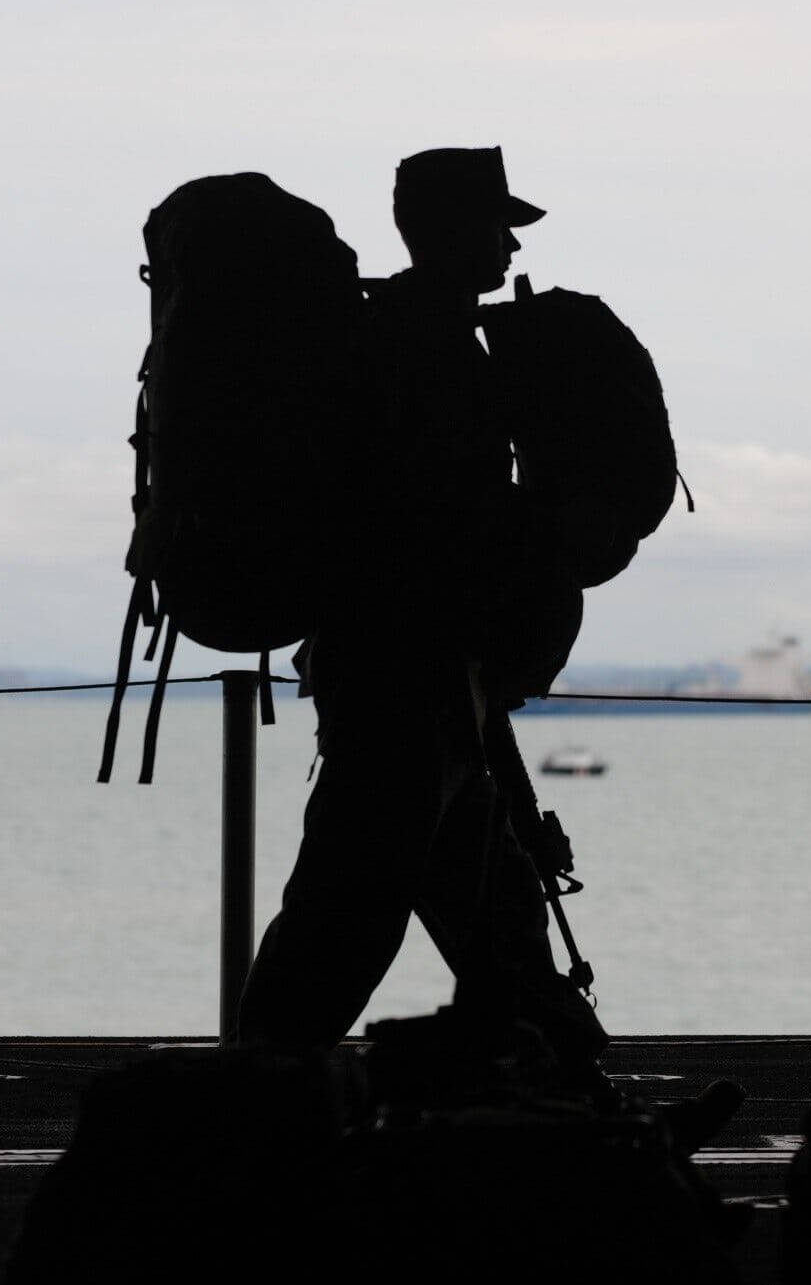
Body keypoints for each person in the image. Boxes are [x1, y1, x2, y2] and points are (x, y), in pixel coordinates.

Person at [236, 147, 607, 1082]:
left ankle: (584, 1099)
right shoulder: (416, 349)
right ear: (444, 231)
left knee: (499, 913)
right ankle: (253, 1102)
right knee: (350, 913)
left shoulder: (423, 338)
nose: (508, 241)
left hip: (434, 679)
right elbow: (431, 522)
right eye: (495, 223)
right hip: (406, 674)